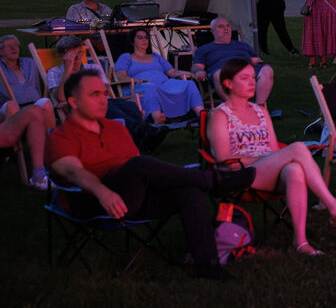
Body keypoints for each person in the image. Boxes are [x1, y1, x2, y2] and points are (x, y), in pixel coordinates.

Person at [50, 70, 254, 279]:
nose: (103, 100)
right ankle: (214, 181)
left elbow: (139, 170)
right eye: (94, 95)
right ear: (73, 102)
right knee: (140, 165)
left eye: (104, 93)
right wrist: (102, 192)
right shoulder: (60, 137)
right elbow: (73, 172)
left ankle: (207, 264)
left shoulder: (115, 128)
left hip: (130, 197)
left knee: (188, 190)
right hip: (91, 202)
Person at [207, 57, 336, 255]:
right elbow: (224, 159)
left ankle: (301, 241)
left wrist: (274, 159)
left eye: (253, 77)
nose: (252, 82)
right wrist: (268, 159)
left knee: (294, 169)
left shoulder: (261, 111)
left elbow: (271, 147)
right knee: (298, 149)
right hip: (237, 174)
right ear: (228, 83)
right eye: (244, 78)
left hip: (266, 172)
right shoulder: (219, 115)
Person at [115, 28, 205, 124]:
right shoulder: (126, 57)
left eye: (146, 38)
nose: (144, 40)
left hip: (163, 84)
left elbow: (172, 72)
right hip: (139, 87)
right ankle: (157, 118)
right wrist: (137, 80)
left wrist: (192, 74)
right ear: (132, 41)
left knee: (189, 84)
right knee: (151, 87)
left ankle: (201, 114)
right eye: (140, 38)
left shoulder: (155, 56)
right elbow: (121, 76)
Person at [0, 35, 52, 188]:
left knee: (46, 103)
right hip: (8, 105)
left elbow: (36, 86)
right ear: (0, 51)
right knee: (12, 106)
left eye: (16, 45)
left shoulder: (29, 63)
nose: (14, 49)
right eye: (9, 46)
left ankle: (50, 154)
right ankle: (16, 150)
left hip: (32, 103)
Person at [192, 17, 275, 105]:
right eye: (221, 27)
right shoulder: (204, 49)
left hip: (246, 72)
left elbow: (256, 61)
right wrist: (199, 71)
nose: (226, 29)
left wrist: (262, 64)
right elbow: (196, 67)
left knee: (267, 70)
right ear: (213, 31)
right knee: (218, 73)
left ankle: (260, 107)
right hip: (224, 74)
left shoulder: (243, 46)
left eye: (228, 26)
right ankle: (235, 108)